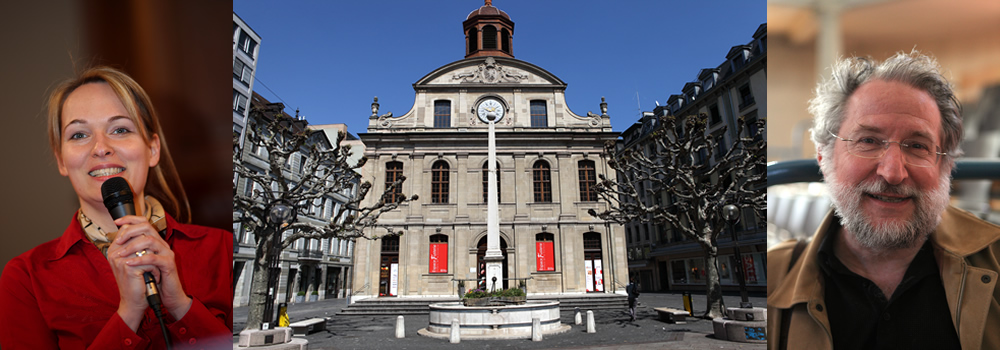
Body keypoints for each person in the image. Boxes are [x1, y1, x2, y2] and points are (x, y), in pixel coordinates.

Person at [767, 51, 1000, 349]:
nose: (892, 172)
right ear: (824, 156)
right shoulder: (774, 273)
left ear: (946, 166)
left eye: (917, 146)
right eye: (868, 141)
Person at [0, 66, 233, 349]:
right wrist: (128, 314)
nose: (101, 147)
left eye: (120, 129)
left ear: (153, 148)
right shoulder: (26, 278)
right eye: (79, 135)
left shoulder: (221, 248)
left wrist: (180, 305)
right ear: (61, 159)